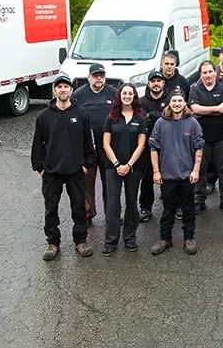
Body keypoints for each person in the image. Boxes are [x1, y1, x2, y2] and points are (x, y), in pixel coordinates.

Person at [31, 75, 96, 260]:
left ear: (71, 91)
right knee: (51, 208)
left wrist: (85, 166)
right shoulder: (44, 116)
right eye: (59, 87)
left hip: (76, 171)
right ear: (54, 91)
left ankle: (80, 241)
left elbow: (89, 144)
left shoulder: (81, 114)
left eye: (66, 87)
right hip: (51, 173)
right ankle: (53, 242)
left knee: (79, 208)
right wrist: (40, 168)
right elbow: (37, 146)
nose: (62, 90)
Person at [148, 89, 204, 256]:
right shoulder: (160, 123)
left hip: (187, 175)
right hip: (167, 175)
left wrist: (196, 170)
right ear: (170, 103)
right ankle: (165, 239)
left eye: (180, 101)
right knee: (168, 209)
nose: (177, 104)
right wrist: (156, 171)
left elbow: (199, 147)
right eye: (174, 101)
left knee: (188, 209)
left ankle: (189, 238)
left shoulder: (192, 123)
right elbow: (153, 148)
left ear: (184, 103)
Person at [101, 83, 147, 256]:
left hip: (133, 168)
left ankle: (130, 237)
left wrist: (128, 165)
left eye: (130, 93)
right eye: (124, 93)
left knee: (131, 203)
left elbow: (141, 145)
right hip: (113, 168)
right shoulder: (111, 118)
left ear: (134, 96)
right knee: (113, 204)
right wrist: (117, 165)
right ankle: (111, 241)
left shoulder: (140, 118)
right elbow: (105, 144)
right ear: (119, 96)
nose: (127, 96)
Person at [72, 63, 116, 225]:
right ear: (89, 77)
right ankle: (88, 213)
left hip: (108, 148)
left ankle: (111, 214)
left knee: (110, 183)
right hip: (87, 149)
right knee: (86, 183)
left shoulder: (113, 92)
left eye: (101, 75)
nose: (99, 78)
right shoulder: (79, 94)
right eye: (95, 75)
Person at [189, 60, 223, 214]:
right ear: (200, 74)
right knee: (200, 171)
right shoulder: (195, 89)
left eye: (210, 72)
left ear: (215, 72)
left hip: (221, 138)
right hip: (201, 139)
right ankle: (199, 200)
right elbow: (194, 109)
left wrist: (202, 111)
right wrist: (216, 109)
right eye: (204, 73)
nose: (208, 75)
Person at [137, 70, 168, 222]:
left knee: (169, 176)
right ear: (149, 83)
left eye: (159, 81)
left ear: (163, 83)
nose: (156, 83)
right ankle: (145, 207)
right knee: (147, 177)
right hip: (149, 145)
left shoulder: (170, 98)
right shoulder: (142, 101)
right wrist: (161, 115)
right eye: (153, 81)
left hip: (169, 145)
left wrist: (153, 115)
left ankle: (172, 206)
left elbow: (173, 117)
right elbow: (143, 121)